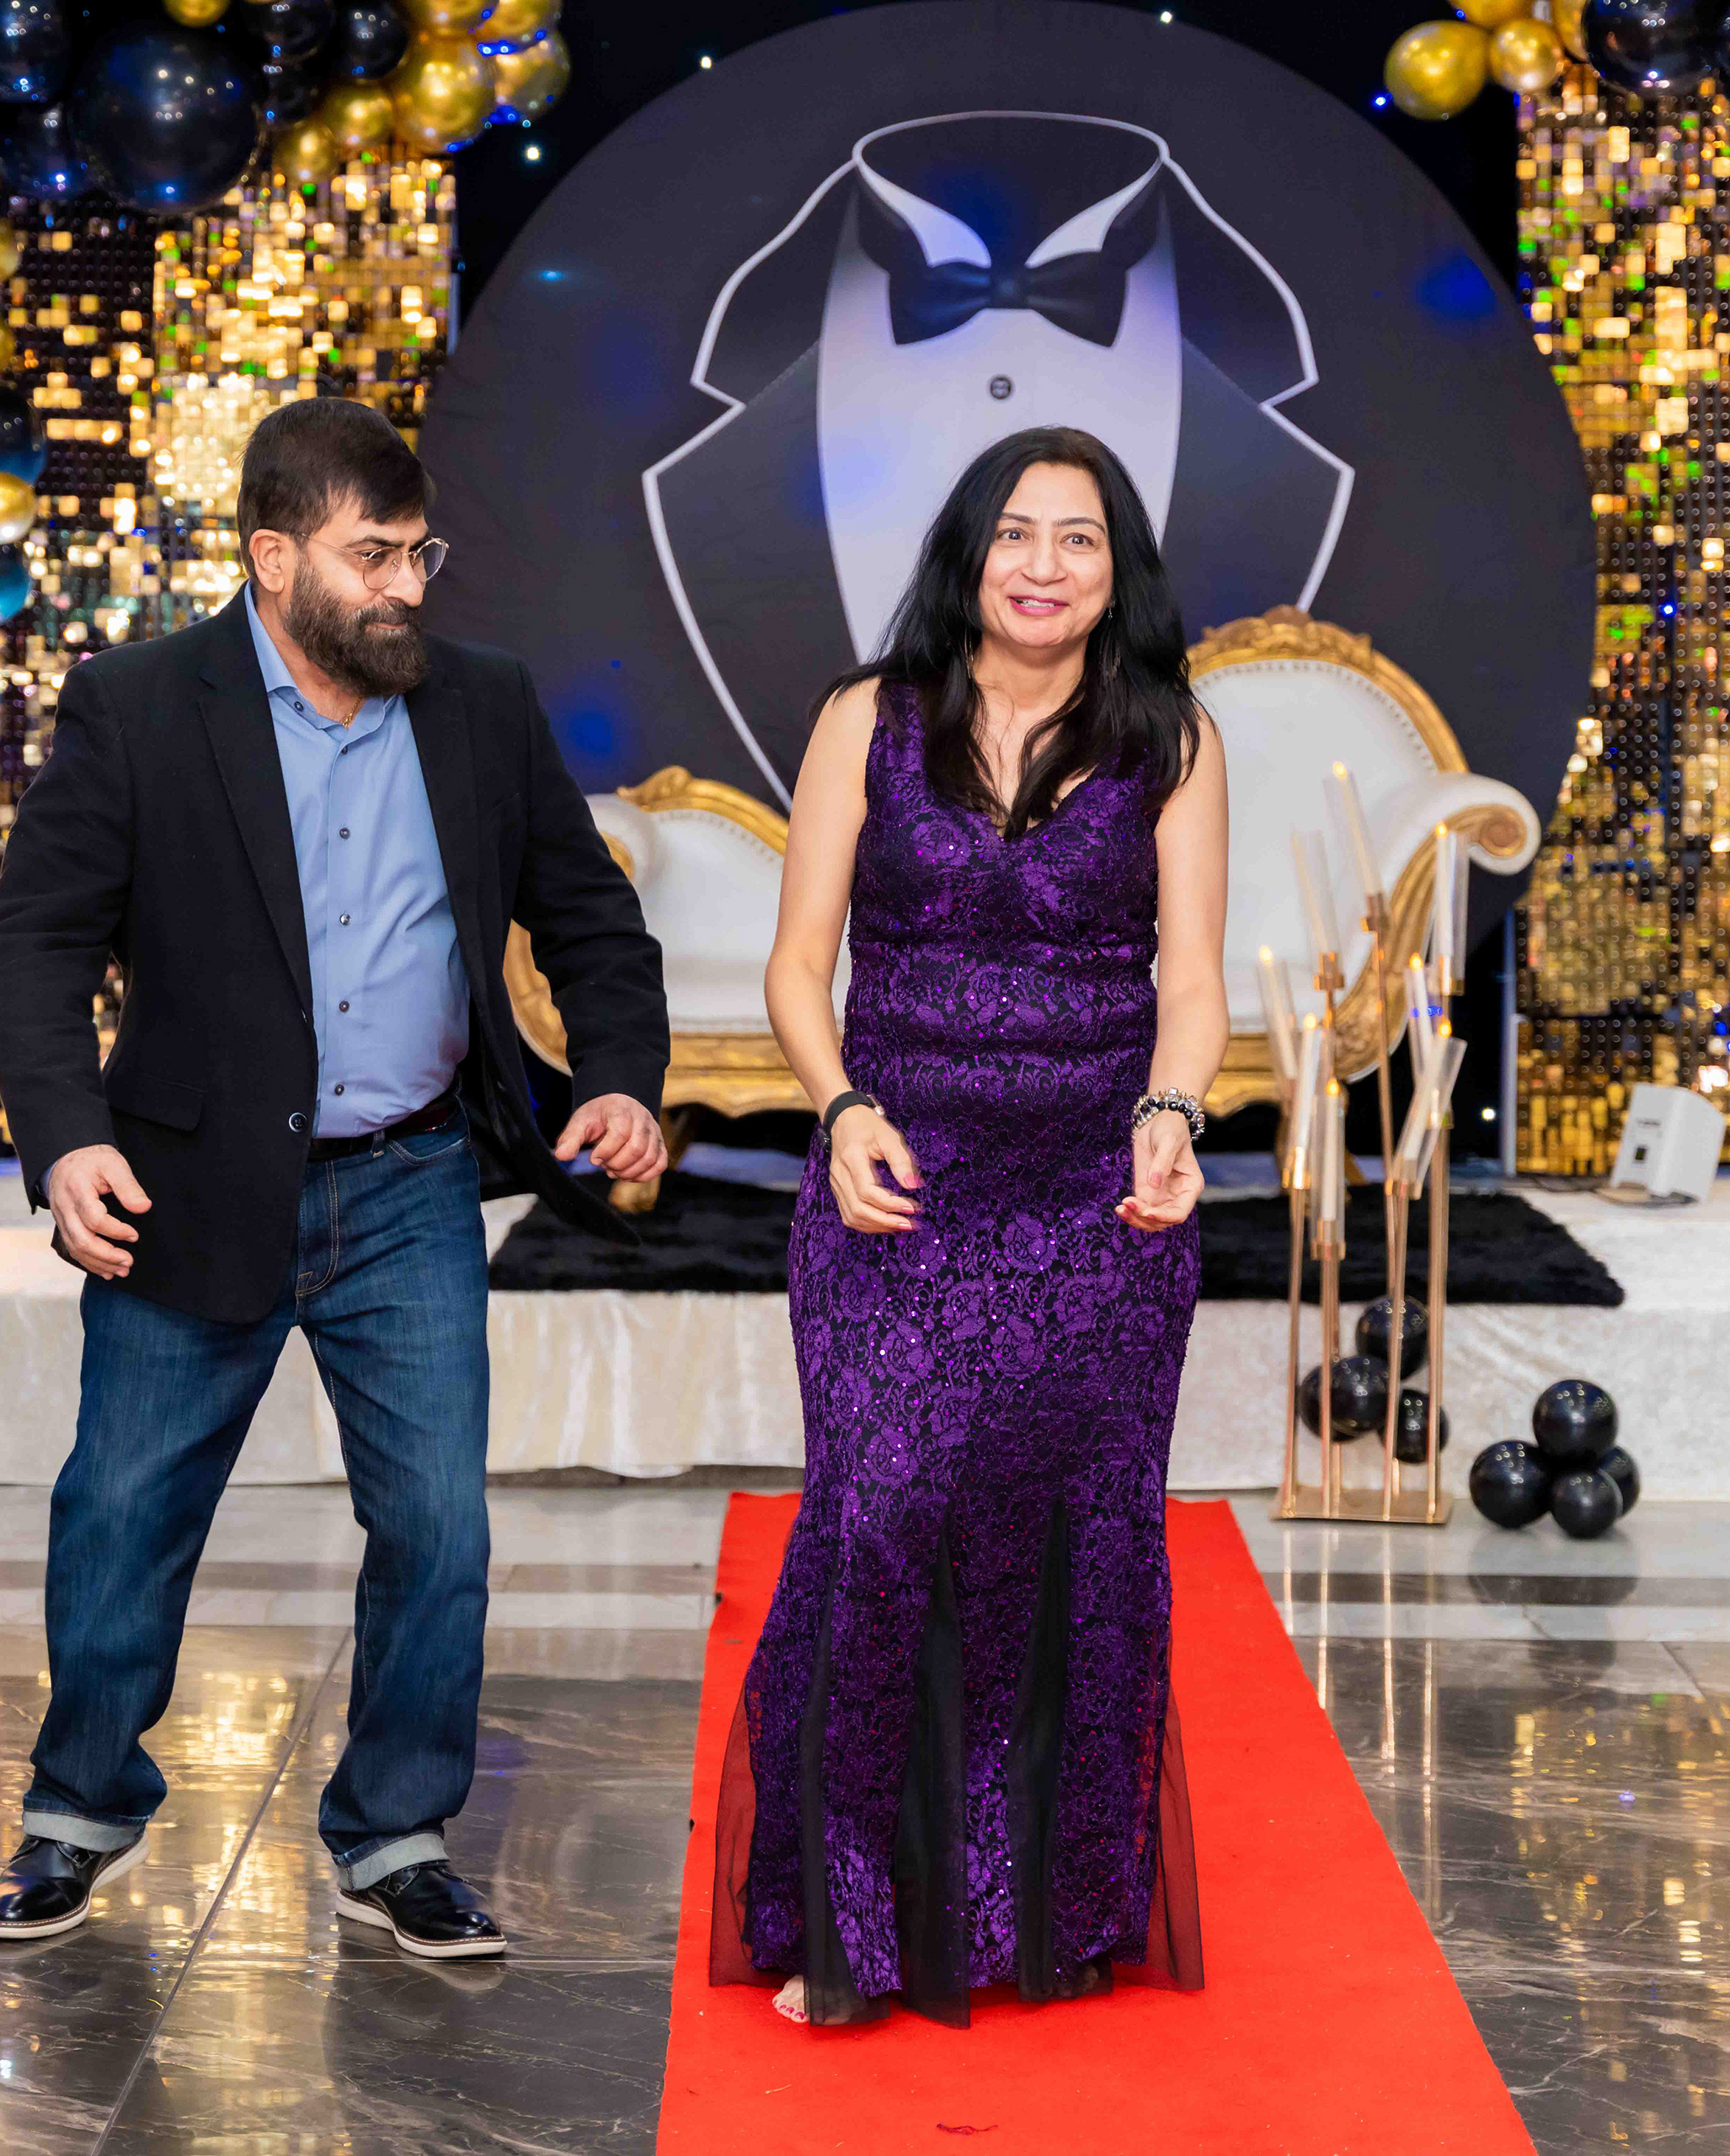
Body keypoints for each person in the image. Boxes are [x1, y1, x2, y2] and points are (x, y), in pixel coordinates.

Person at [0, 398, 670, 1960]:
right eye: (373, 557)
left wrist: (621, 1076)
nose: (407, 586)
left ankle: (397, 1832)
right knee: (124, 1512)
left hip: (410, 1181)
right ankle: (78, 1809)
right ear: (274, 557)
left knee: (438, 1527)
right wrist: (67, 1138)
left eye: (421, 553)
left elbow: (591, 921)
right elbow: (34, 947)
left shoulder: (482, 705)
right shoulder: (140, 705)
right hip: (185, 1184)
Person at [707, 426, 1228, 2025]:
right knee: (881, 1520)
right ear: (966, 553)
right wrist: (840, 1107)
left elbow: (1195, 981)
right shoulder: (866, 719)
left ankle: (1033, 1910)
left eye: (1078, 539)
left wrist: (1173, 1112)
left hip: (1093, 1203)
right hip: (899, 1184)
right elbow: (797, 964)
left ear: (1117, 572)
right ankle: (849, 1916)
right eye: (1015, 533)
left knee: (1072, 1540)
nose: (1043, 565)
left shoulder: (1171, 737)